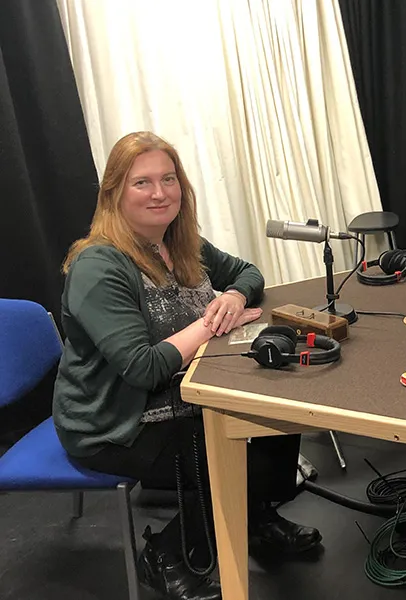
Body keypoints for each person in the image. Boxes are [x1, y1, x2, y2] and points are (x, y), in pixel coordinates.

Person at [52, 132, 321, 600]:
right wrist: (212, 323)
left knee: (276, 401)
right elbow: (143, 368)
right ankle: (166, 554)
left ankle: (254, 516)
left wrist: (233, 296)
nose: (159, 193)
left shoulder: (180, 242)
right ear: (114, 193)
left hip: (178, 392)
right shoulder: (98, 267)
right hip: (113, 422)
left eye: (168, 179)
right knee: (226, 448)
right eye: (142, 182)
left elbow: (248, 273)